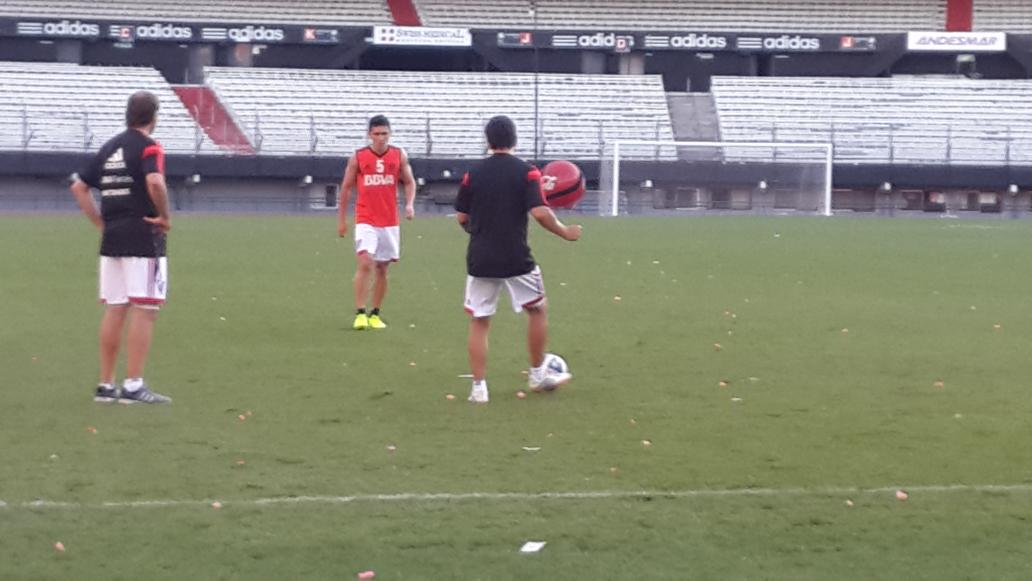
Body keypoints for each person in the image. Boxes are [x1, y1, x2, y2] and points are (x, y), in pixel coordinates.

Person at [454, 115, 582, 404]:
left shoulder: (473, 174)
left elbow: (462, 217)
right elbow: (540, 212)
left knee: (479, 320)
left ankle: (478, 389)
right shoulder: (527, 172)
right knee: (537, 309)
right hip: (515, 256)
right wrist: (564, 232)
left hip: (480, 258)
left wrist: (479, 232)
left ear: (488, 141)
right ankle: (536, 373)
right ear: (514, 140)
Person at [70, 90, 172, 404]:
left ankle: (106, 385)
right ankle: (133, 385)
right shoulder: (149, 146)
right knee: (146, 308)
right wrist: (165, 216)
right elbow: (154, 181)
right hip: (143, 236)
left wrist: (101, 223)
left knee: (116, 308)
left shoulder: (109, 147)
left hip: (112, 238)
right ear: (153, 117)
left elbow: (79, 187)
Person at [337, 115, 416, 330]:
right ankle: (360, 313)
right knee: (365, 262)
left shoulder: (399, 155)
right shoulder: (358, 157)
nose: (381, 138)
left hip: (389, 221)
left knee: (382, 268)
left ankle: (375, 313)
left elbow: (409, 182)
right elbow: (346, 188)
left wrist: (409, 204)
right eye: (377, 134)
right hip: (366, 218)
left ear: (390, 134)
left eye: (384, 133)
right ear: (369, 135)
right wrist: (342, 220)